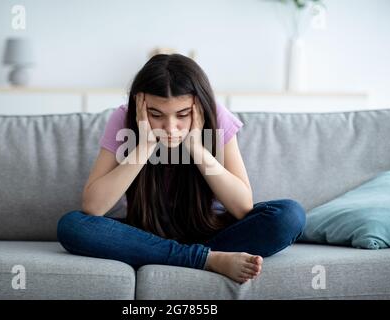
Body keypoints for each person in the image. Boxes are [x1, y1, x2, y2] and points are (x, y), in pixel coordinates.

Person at [57, 54, 306, 284]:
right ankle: (205, 259)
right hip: (147, 236)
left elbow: (242, 207)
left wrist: (196, 148)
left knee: (289, 215)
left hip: (212, 232)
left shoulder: (217, 118)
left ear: (198, 108)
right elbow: (94, 206)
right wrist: (144, 146)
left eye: (182, 114)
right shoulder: (123, 119)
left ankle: (188, 255)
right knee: (73, 226)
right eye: (156, 114)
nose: (170, 127)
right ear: (140, 107)